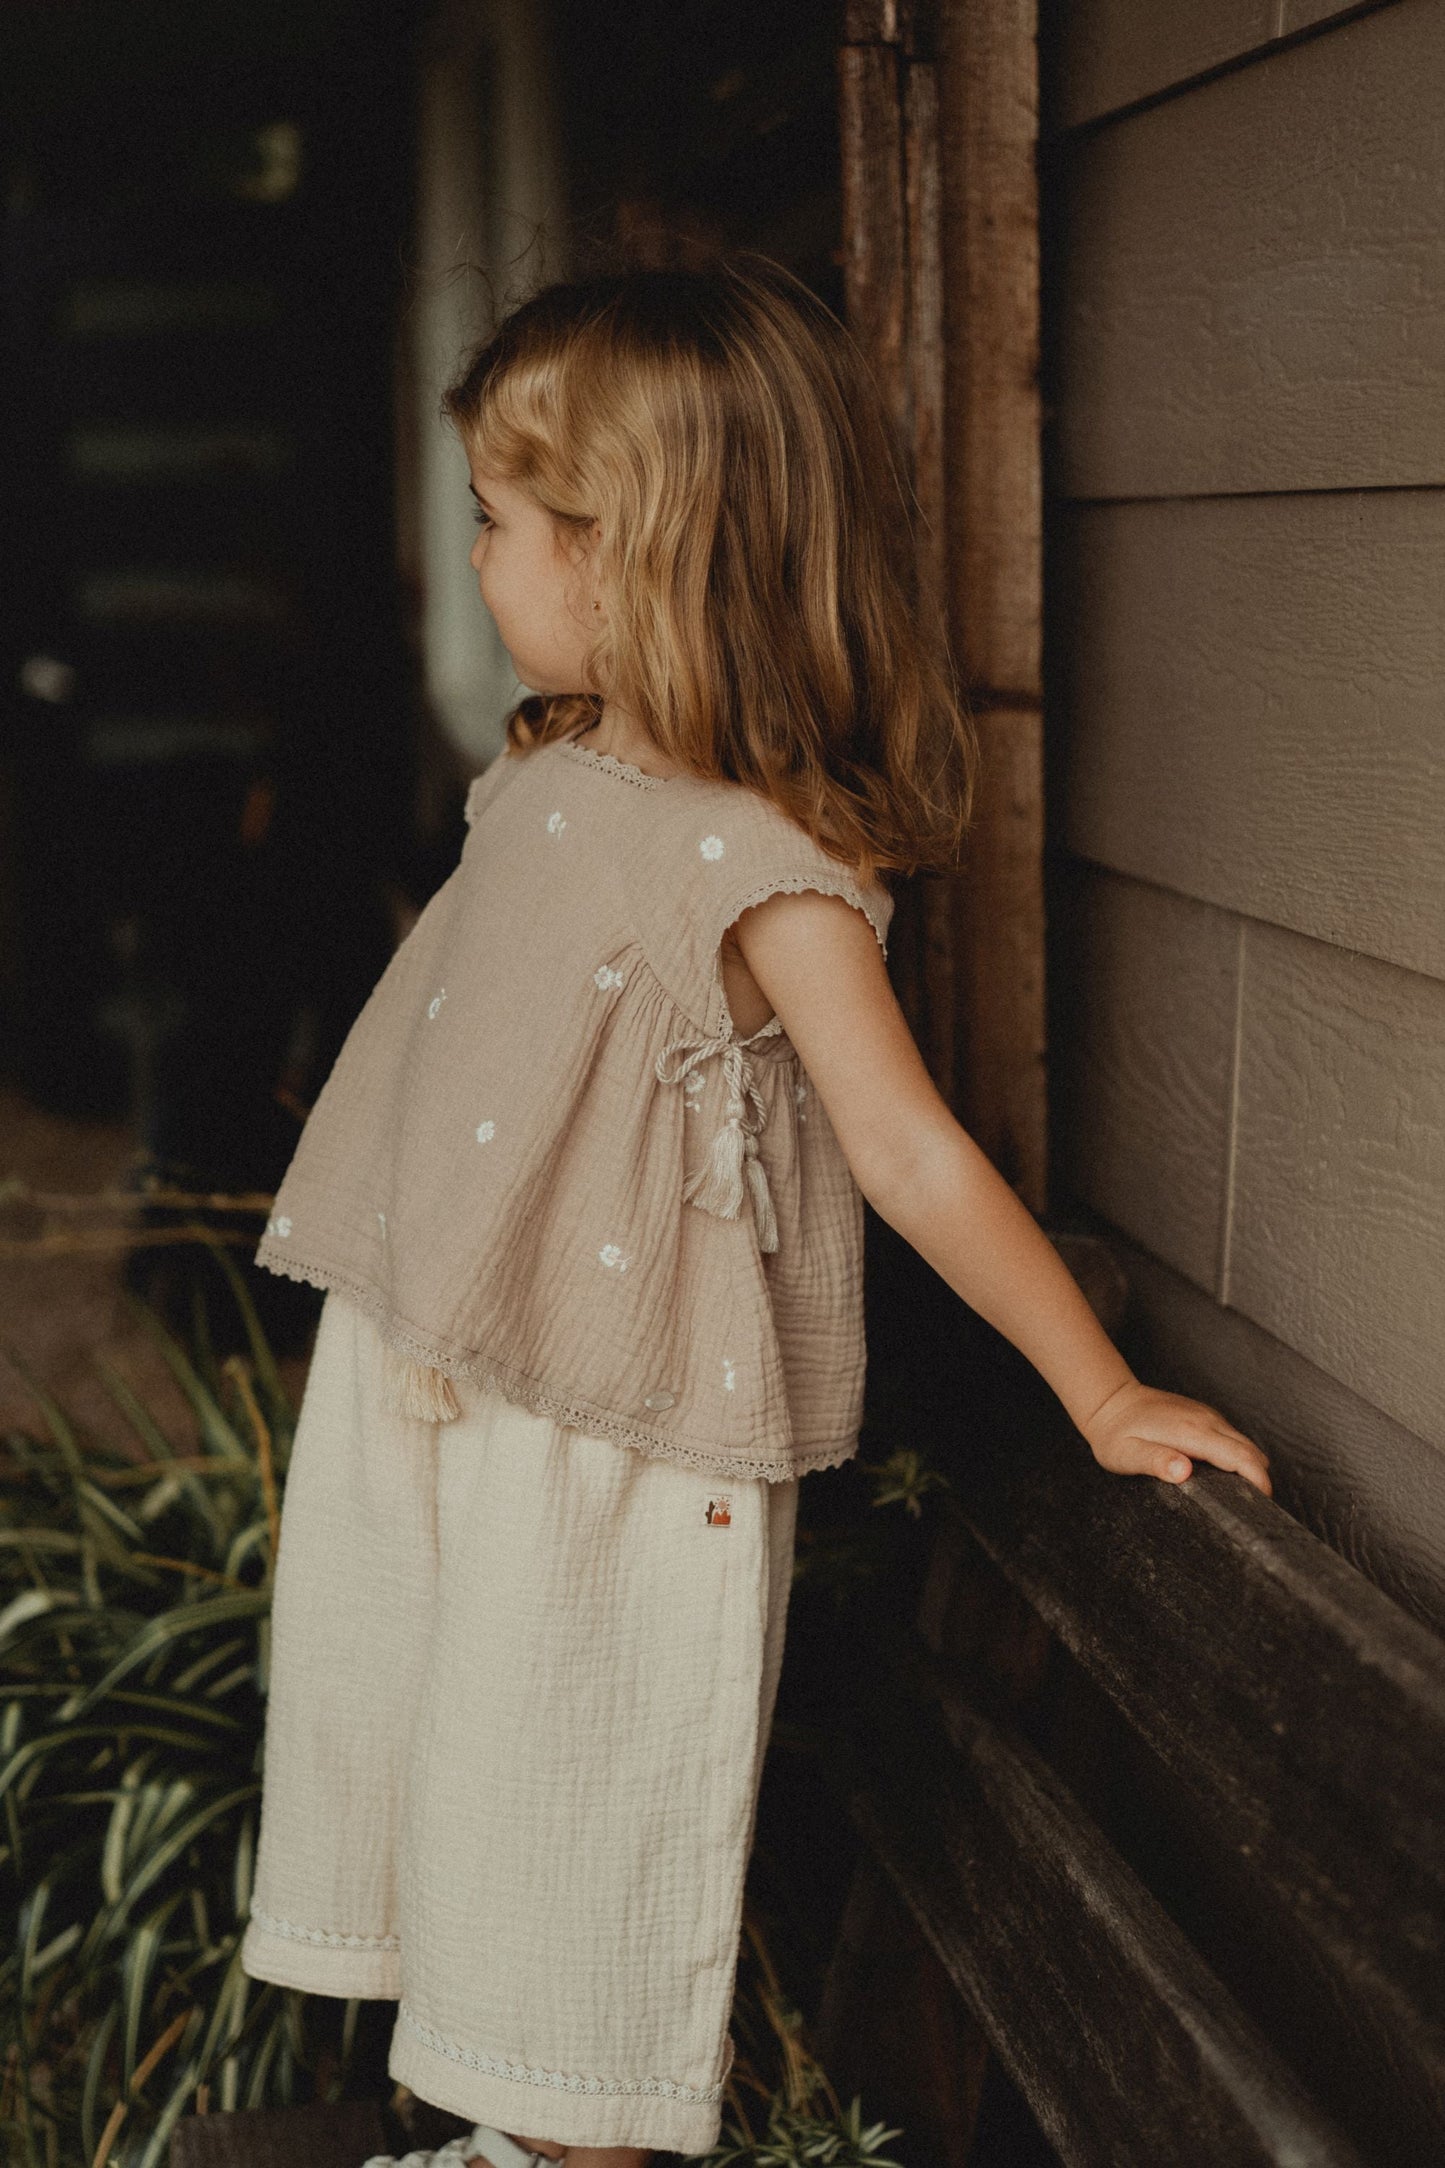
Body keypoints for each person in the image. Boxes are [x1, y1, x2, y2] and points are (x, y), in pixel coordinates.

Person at [238, 258, 1271, 2168]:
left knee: (579, 1796)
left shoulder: (760, 857)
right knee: (469, 1777)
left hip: (619, 1433)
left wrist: (1099, 1394)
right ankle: (511, 2145)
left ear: (628, 560)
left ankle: (570, 2154)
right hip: (471, 1367)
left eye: (499, 520)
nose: (474, 557)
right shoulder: (551, 774)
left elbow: (908, 1149)